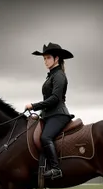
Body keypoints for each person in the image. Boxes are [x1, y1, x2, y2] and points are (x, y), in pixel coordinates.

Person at [25, 42, 74, 180]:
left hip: (59, 114)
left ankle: (56, 169)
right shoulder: (52, 75)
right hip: (49, 115)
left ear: (56, 58)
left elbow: (55, 99)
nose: (45, 61)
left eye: (48, 58)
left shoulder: (59, 75)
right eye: (44, 59)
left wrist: (33, 106)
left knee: (45, 137)